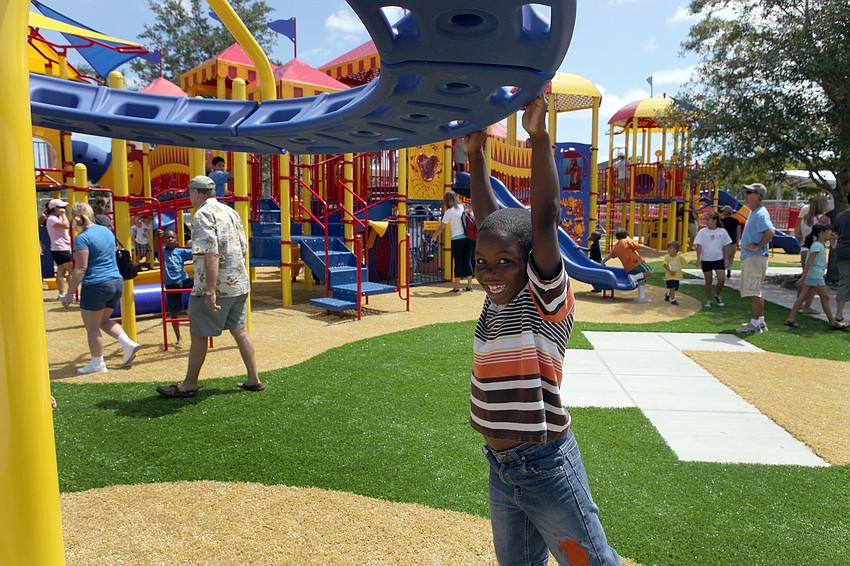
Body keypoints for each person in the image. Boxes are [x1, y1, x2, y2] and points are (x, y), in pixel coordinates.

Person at [463, 95, 621, 566]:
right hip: (501, 466)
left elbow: (544, 220)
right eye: (483, 262)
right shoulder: (499, 299)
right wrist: (475, 155)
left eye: (505, 263)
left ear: (531, 263)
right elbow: (492, 221)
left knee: (592, 562)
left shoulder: (543, 300)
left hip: (546, 464)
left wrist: (539, 138)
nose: (491, 272)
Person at [156, 175, 264, 398]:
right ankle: (254, 379)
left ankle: (189, 384)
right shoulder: (232, 212)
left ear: (196, 193)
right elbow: (243, 247)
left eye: (190, 195)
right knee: (240, 330)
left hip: (216, 285)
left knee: (198, 333)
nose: (190, 199)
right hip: (239, 283)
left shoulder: (202, 215)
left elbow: (211, 253)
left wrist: (211, 290)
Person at [61, 202, 140, 373]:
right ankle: (128, 343)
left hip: (96, 284)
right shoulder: (107, 231)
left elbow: (81, 268)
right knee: (103, 321)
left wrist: (69, 294)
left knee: (92, 327)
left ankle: (97, 363)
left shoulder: (82, 237)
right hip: (116, 282)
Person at [784, 224, 847, 329]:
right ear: (822, 233)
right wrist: (802, 279)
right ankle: (833, 322)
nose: (830, 234)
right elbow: (809, 263)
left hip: (813, 274)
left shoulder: (818, 245)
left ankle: (790, 318)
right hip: (815, 275)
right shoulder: (817, 246)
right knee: (825, 297)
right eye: (829, 232)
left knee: (802, 297)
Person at [736, 183, 776, 335]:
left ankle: (754, 324)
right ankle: (760, 321)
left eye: (749, 192)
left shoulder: (760, 213)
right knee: (756, 291)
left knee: (753, 292)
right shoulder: (755, 212)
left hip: (755, 258)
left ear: (757, 196)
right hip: (753, 257)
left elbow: (770, 232)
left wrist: (757, 246)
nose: (746, 194)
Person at [431, 189, 474, 293]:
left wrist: (434, 236)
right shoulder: (463, 207)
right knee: (467, 260)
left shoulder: (449, 212)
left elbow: (442, 227)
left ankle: (457, 286)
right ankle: (469, 285)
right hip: (468, 237)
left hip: (456, 238)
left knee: (458, 261)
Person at [601, 228, 658, 303]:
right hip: (636, 262)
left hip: (628, 268)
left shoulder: (616, 246)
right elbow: (639, 246)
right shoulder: (627, 241)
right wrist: (651, 249)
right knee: (650, 272)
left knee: (641, 280)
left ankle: (642, 297)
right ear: (626, 235)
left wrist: (603, 262)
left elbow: (610, 256)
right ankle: (634, 277)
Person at [159, 229, 194, 348]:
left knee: (200, 283)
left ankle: (193, 306)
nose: (170, 239)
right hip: (171, 284)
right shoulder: (162, 253)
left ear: (177, 240)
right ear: (163, 240)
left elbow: (196, 253)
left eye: (172, 237)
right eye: (167, 237)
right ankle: (179, 338)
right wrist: (156, 237)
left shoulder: (180, 252)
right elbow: (156, 248)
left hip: (183, 280)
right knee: (174, 313)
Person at [693, 212, 732, 307]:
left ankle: (717, 295)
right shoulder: (702, 232)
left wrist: (726, 258)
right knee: (708, 280)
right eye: (706, 220)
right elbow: (699, 245)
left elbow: (726, 245)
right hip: (706, 259)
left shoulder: (722, 231)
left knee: (721, 279)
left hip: (718, 259)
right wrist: (698, 258)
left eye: (708, 219)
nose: (706, 222)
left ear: (715, 220)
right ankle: (708, 300)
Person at [44, 198, 72, 300]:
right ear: (54, 208)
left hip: (61, 247)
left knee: (61, 270)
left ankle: (62, 293)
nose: (63, 209)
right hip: (60, 248)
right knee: (71, 270)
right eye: (60, 207)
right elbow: (65, 226)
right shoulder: (52, 219)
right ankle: (71, 293)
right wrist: (64, 215)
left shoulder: (56, 218)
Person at [833, 196, 850, 322]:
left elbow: (835, 233)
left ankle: (839, 313)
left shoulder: (841, 217)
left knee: (843, 282)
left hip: (842, 251)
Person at [719, 205, 741, 278]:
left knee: (722, 258)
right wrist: (737, 242)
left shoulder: (722, 221)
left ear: (726, 212)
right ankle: (729, 270)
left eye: (723, 211)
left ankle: (721, 272)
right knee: (731, 258)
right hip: (733, 242)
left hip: (723, 243)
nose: (721, 212)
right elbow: (738, 232)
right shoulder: (736, 221)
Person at [663, 240, 683, 305]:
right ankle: (673, 299)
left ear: (676, 250)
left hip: (677, 276)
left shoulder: (679, 257)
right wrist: (670, 271)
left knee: (674, 289)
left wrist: (695, 262)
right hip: (669, 276)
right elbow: (665, 265)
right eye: (668, 249)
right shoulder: (667, 258)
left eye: (670, 248)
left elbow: (686, 261)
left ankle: (668, 294)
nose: (668, 250)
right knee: (672, 288)